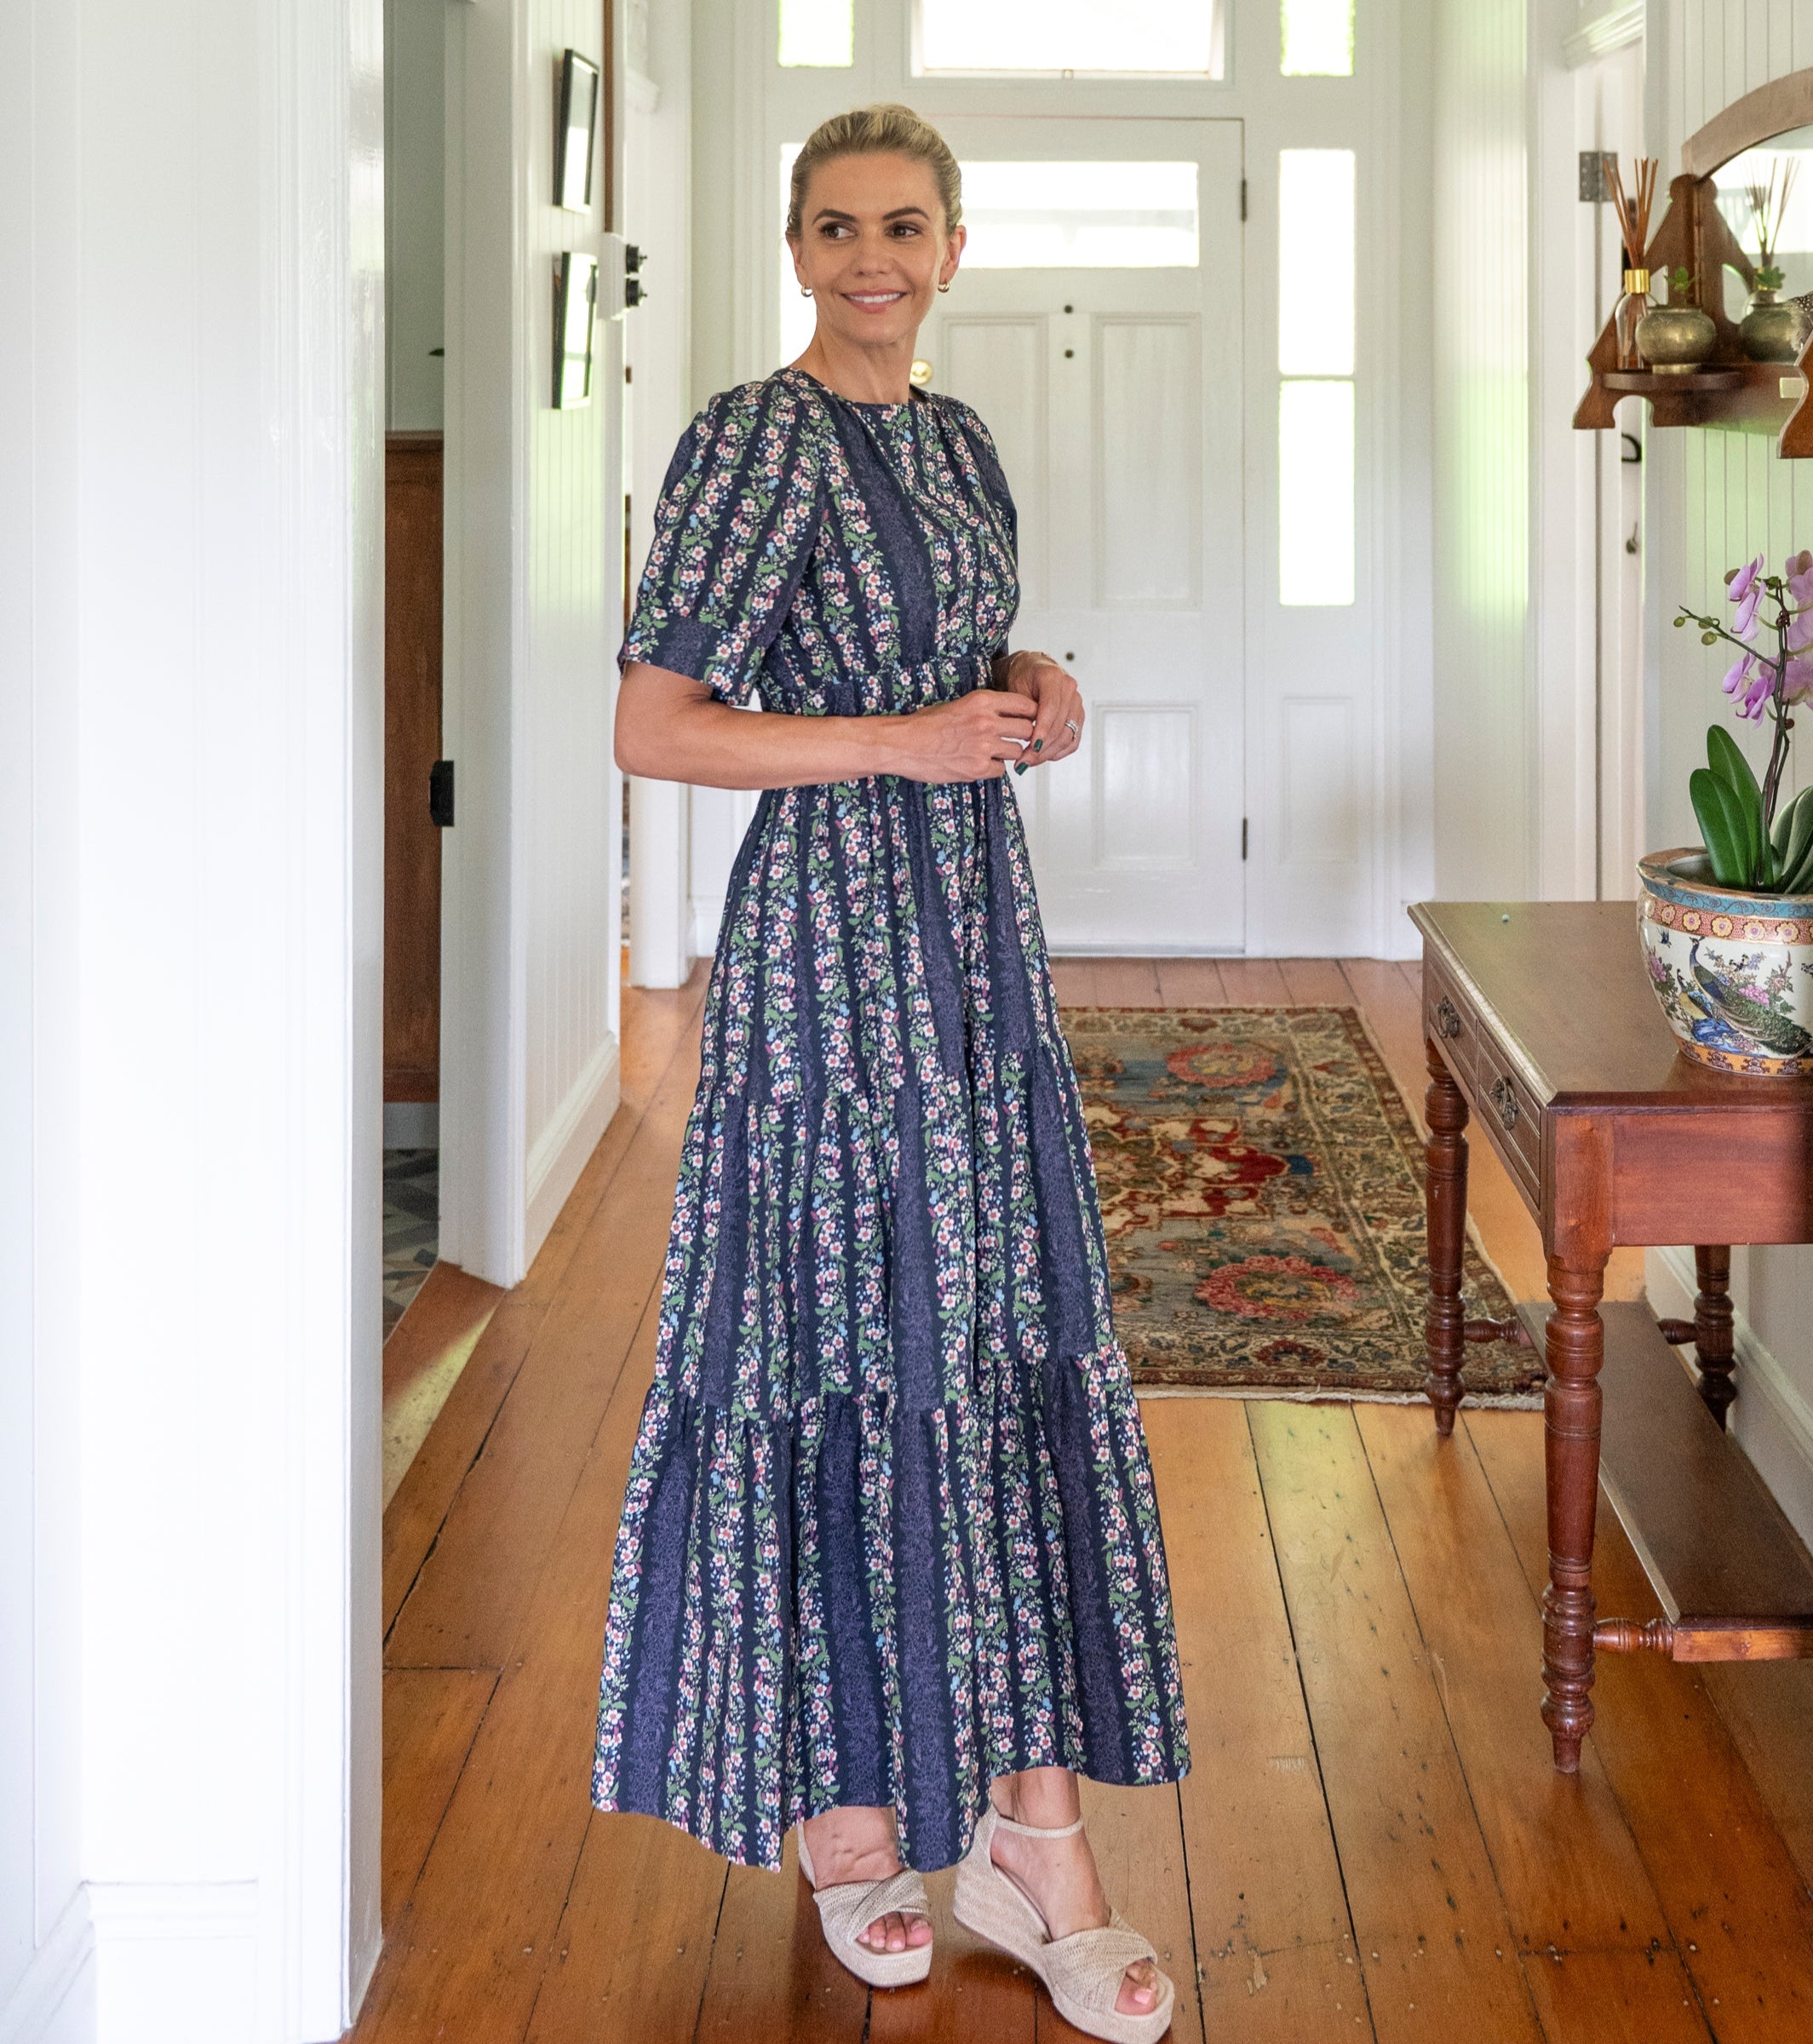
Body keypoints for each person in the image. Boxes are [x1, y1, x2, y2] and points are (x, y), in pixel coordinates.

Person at [589, 103, 1188, 2044]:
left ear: (952, 248)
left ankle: (1034, 1838)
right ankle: (850, 1821)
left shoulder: (952, 437)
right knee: (841, 1345)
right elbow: (657, 729)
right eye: (838, 227)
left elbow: (935, 663)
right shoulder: (749, 442)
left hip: (972, 949)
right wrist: (897, 745)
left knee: (1001, 1339)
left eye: (906, 226)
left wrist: (1033, 683)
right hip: (828, 967)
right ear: (795, 247)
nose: (873, 257)